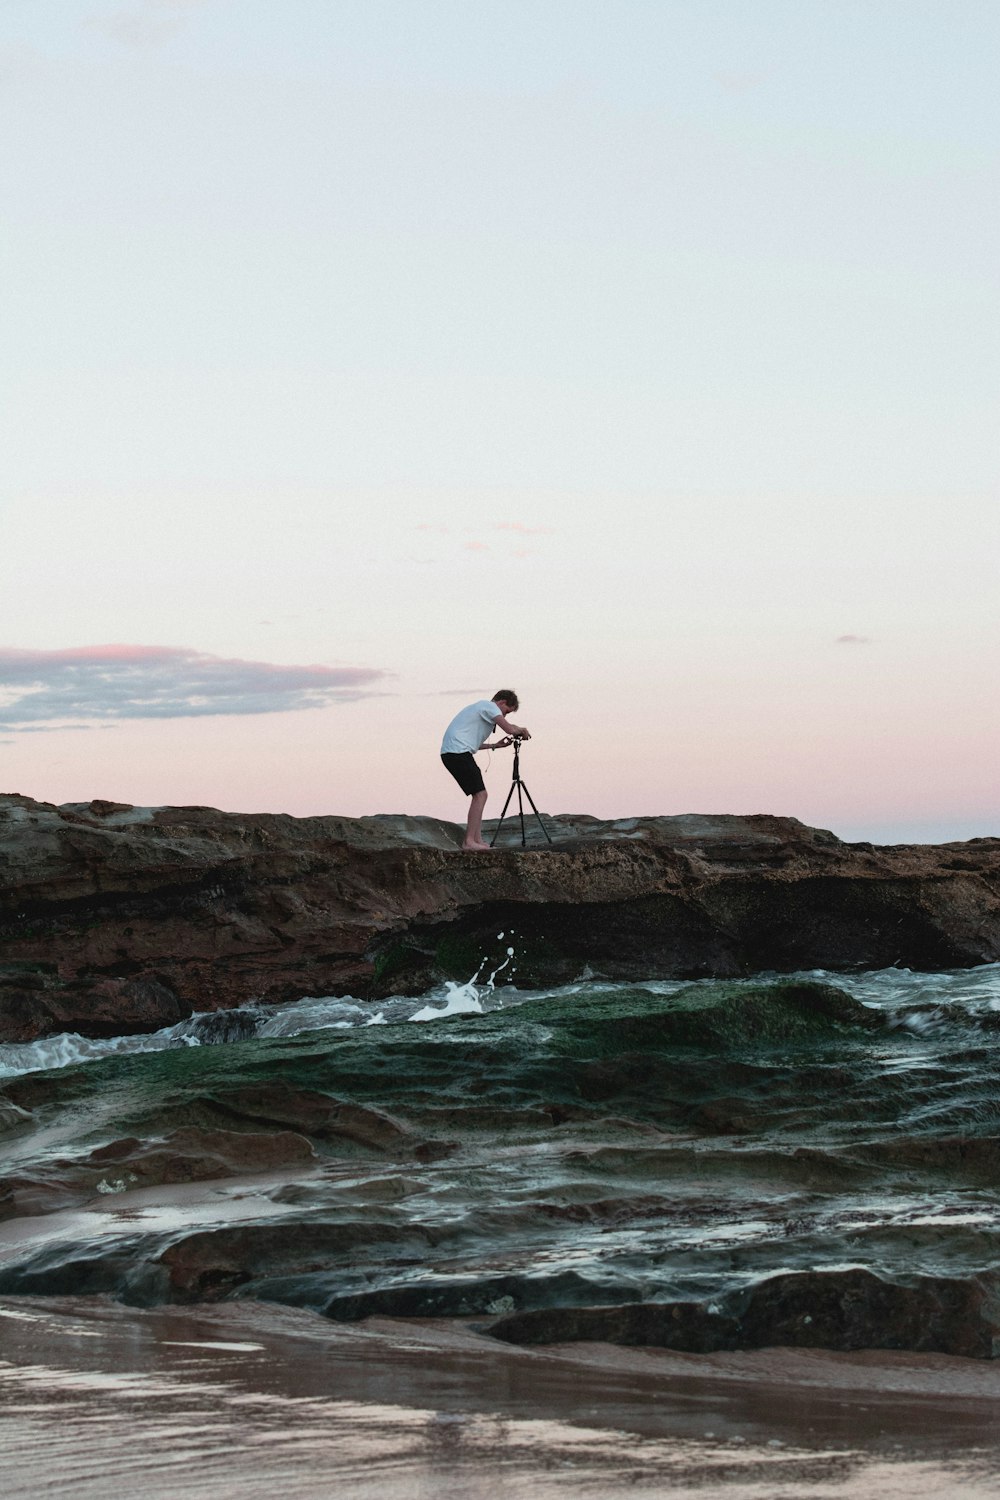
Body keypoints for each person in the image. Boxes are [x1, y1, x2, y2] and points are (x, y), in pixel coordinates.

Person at [440, 690, 531, 850]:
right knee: (480, 795)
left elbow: (474, 744)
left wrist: (496, 745)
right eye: (507, 711)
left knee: (480, 795)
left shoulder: (482, 710)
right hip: (457, 753)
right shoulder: (489, 706)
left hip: (456, 753)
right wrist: (521, 730)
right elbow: (510, 729)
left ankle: (477, 840)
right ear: (502, 702)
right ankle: (469, 842)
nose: (505, 716)